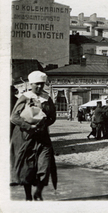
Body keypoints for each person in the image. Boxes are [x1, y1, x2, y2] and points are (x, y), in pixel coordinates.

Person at [10, 70, 57, 201]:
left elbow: (53, 116)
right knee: (27, 168)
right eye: (37, 84)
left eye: (42, 84)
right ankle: (28, 196)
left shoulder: (47, 98)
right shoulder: (24, 97)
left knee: (45, 165)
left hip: (42, 137)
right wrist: (29, 126)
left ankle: (38, 192)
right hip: (25, 137)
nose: (40, 87)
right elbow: (14, 117)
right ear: (31, 84)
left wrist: (45, 122)